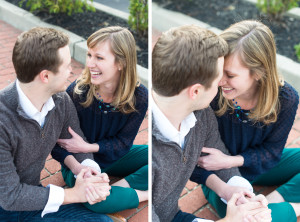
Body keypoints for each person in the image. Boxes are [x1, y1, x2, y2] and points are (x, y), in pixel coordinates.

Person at [152, 25, 271, 222]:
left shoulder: (202, 115)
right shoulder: (152, 150)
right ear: (196, 92)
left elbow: (216, 150)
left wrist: (236, 190)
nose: (222, 85)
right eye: (217, 82)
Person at [191, 20, 300, 222]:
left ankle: (275, 200)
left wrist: (231, 159)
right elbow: (194, 161)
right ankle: (286, 208)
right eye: (219, 69)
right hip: (221, 178)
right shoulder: (210, 94)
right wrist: (224, 170)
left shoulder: (286, 98)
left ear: (258, 72)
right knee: (247, 220)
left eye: (230, 74)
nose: (220, 80)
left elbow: (272, 153)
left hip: (255, 166)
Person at [0, 27, 112, 221]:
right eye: (67, 65)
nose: (72, 70)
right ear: (45, 76)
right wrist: (73, 195)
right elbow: (9, 196)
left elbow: (75, 138)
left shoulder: (60, 100)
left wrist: (87, 169)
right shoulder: (3, 120)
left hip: (33, 199)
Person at [51, 26, 148, 214]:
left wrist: (89, 147)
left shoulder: (139, 96)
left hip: (112, 157)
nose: (90, 64)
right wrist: (80, 165)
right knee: (91, 198)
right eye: (89, 55)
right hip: (79, 165)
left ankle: (115, 188)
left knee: (159, 156)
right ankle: (143, 194)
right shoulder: (77, 92)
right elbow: (57, 144)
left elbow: (124, 143)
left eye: (99, 58)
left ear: (121, 62)